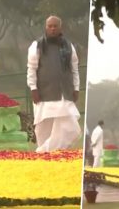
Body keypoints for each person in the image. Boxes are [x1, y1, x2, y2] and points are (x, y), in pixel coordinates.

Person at [27, 15, 80, 152]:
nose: (52, 29)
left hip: (64, 94)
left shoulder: (69, 46)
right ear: (46, 27)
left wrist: (76, 88)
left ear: (60, 28)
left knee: (72, 128)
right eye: (49, 26)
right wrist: (33, 89)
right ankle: (48, 155)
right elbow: (31, 68)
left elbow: (74, 68)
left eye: (55, 26)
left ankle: (44, 151)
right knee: (44, 128)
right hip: (44, 93)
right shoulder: (37, 45)